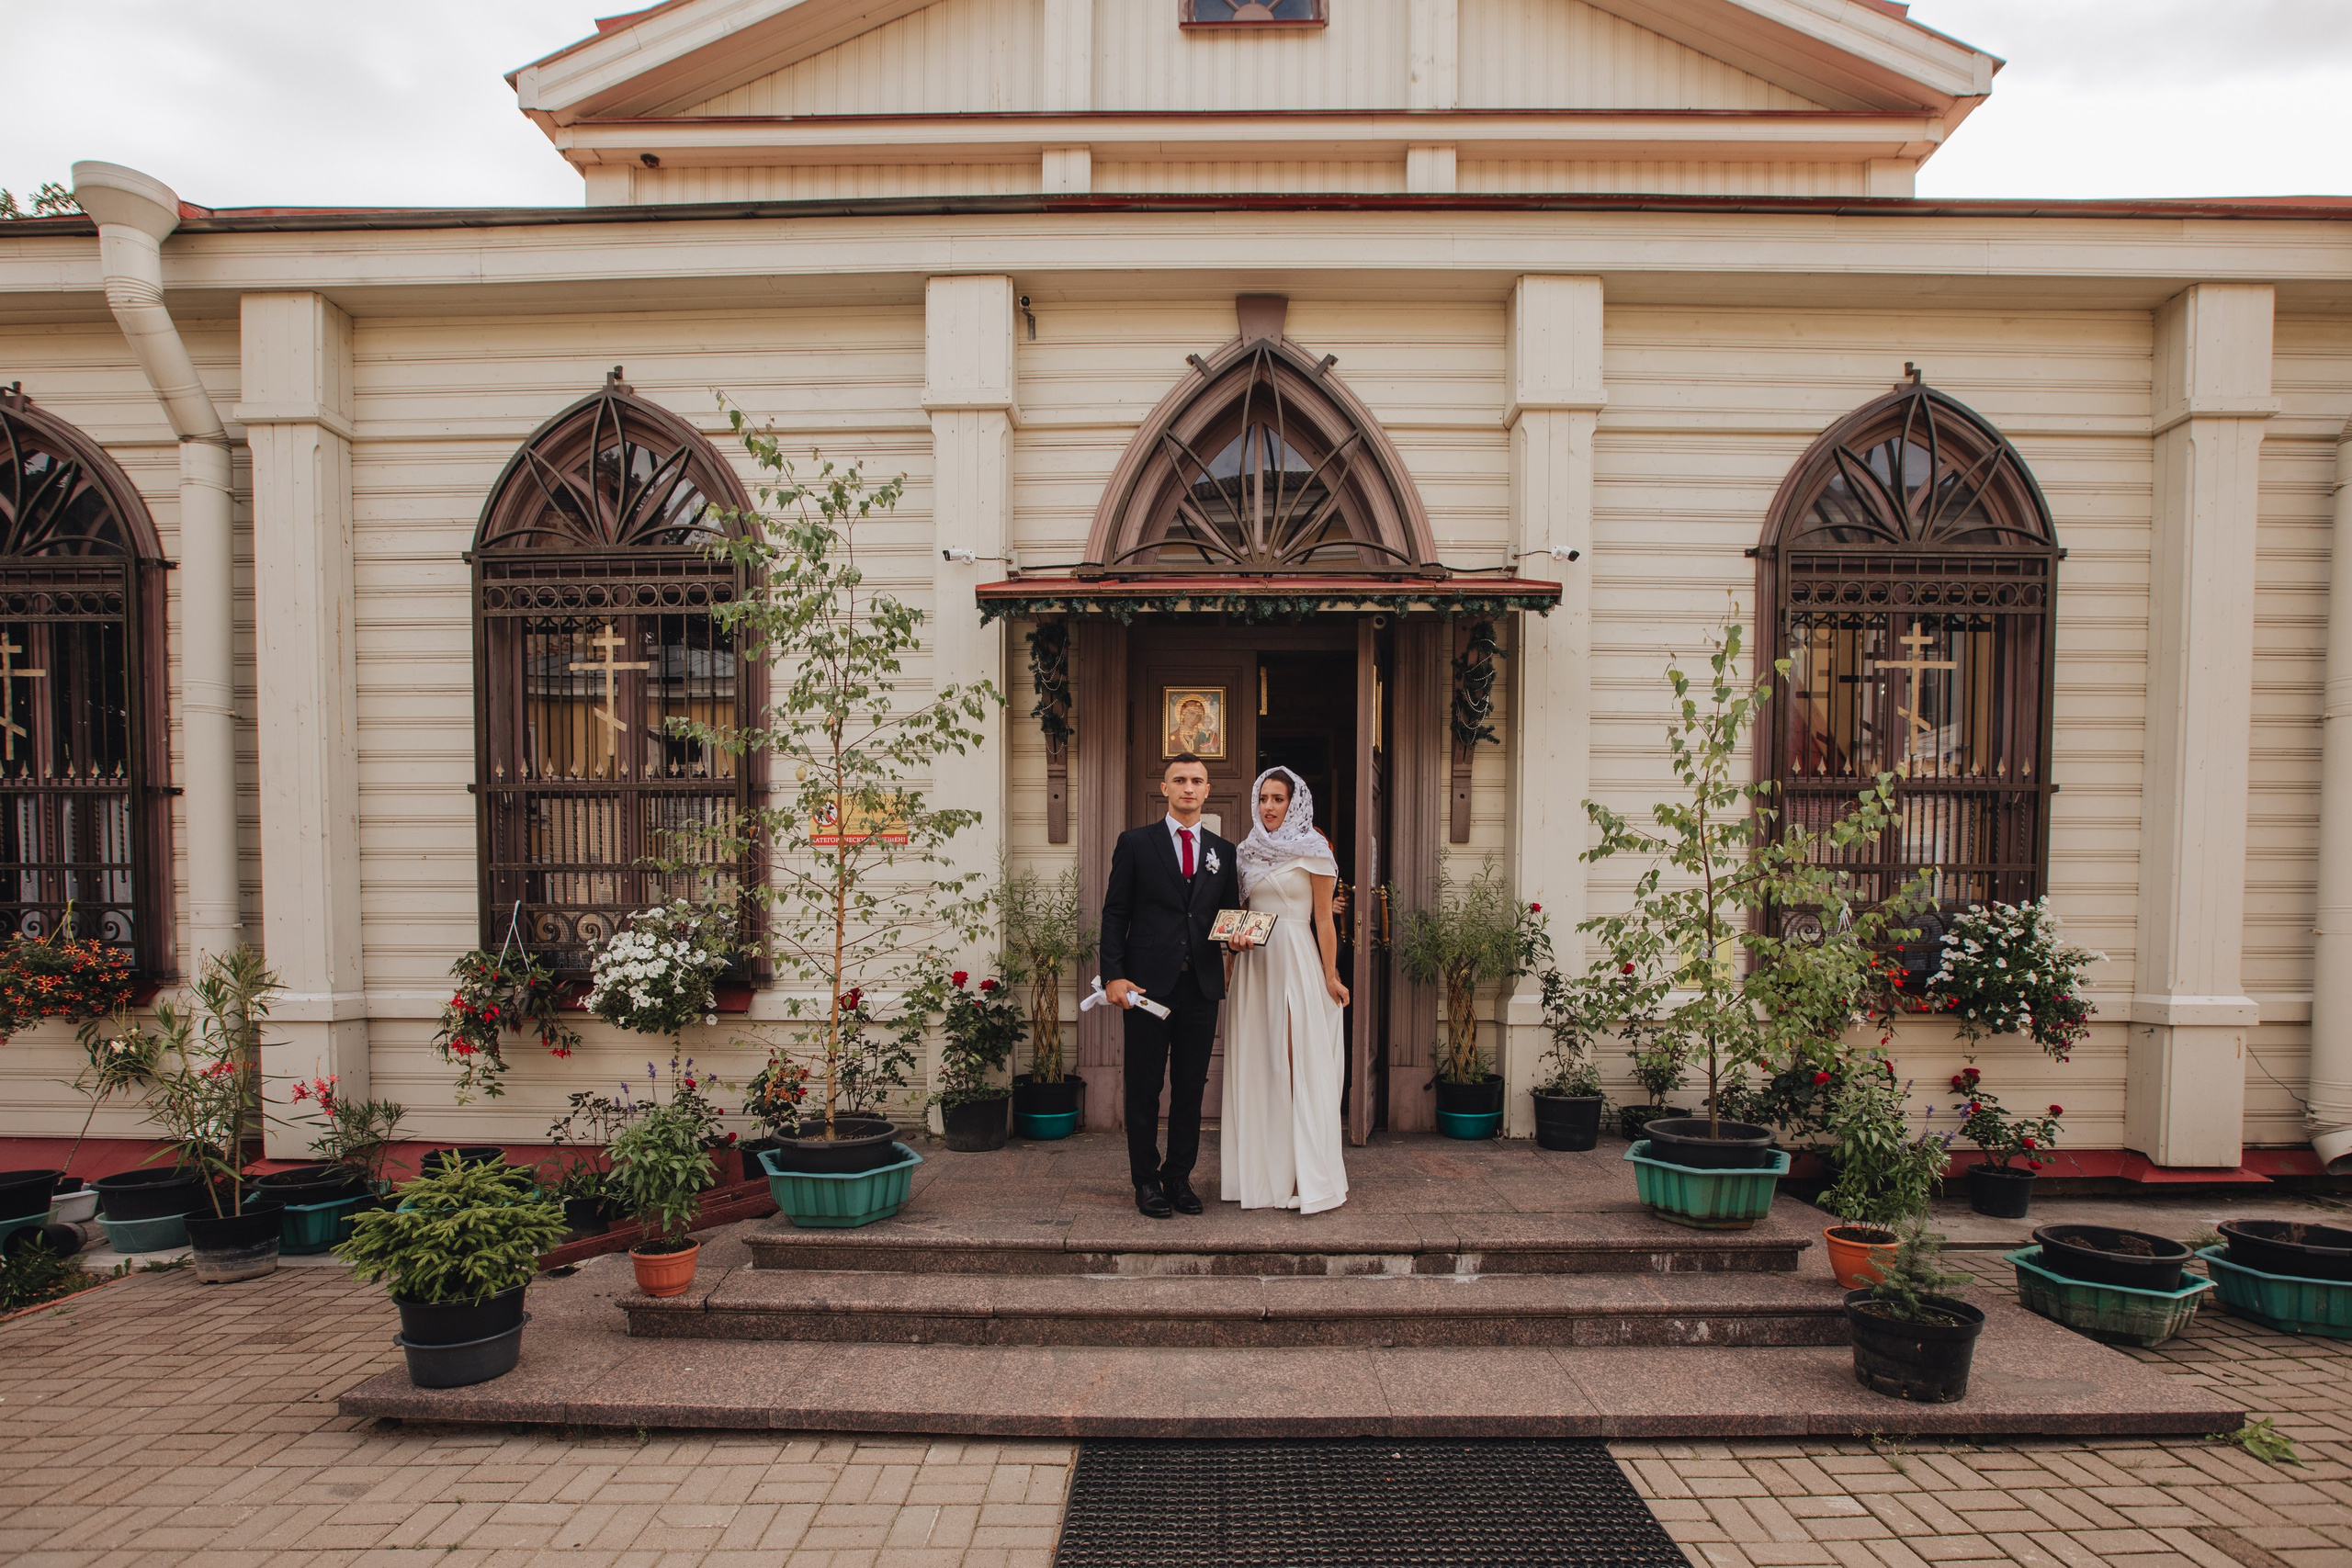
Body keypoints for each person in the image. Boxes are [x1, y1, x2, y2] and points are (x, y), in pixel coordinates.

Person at [1098, 753, 1242, 1219]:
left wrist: (1238, 939)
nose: (1188, 787)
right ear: (1165, 788)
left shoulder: (1224, 850)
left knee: (1190, 1088)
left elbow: (1226, 915)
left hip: (1200, 985)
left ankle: (1179, 1178)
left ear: (1207, 789)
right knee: (1143, 1086)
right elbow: (1115, 912)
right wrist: (1114, 975)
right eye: (1179, 780)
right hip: (1144, 986)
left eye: (1196, 780)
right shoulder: (1136, 843)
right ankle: (1146, 1181)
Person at [1219, 767, 1350, 1214]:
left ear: (1294, 803)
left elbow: (1324, 919)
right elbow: (1237, 914)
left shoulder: (1315, 851)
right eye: (1263, 799)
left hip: (1295, 959)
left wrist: (1330, 976)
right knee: (1259, 1064)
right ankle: (1260, 1174)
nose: (1269, 807)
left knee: (1293, 1064)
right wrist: (1231, 957)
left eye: (1278, 799)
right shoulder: (1245, 852)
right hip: (1255, 966)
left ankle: (1299, 1173)